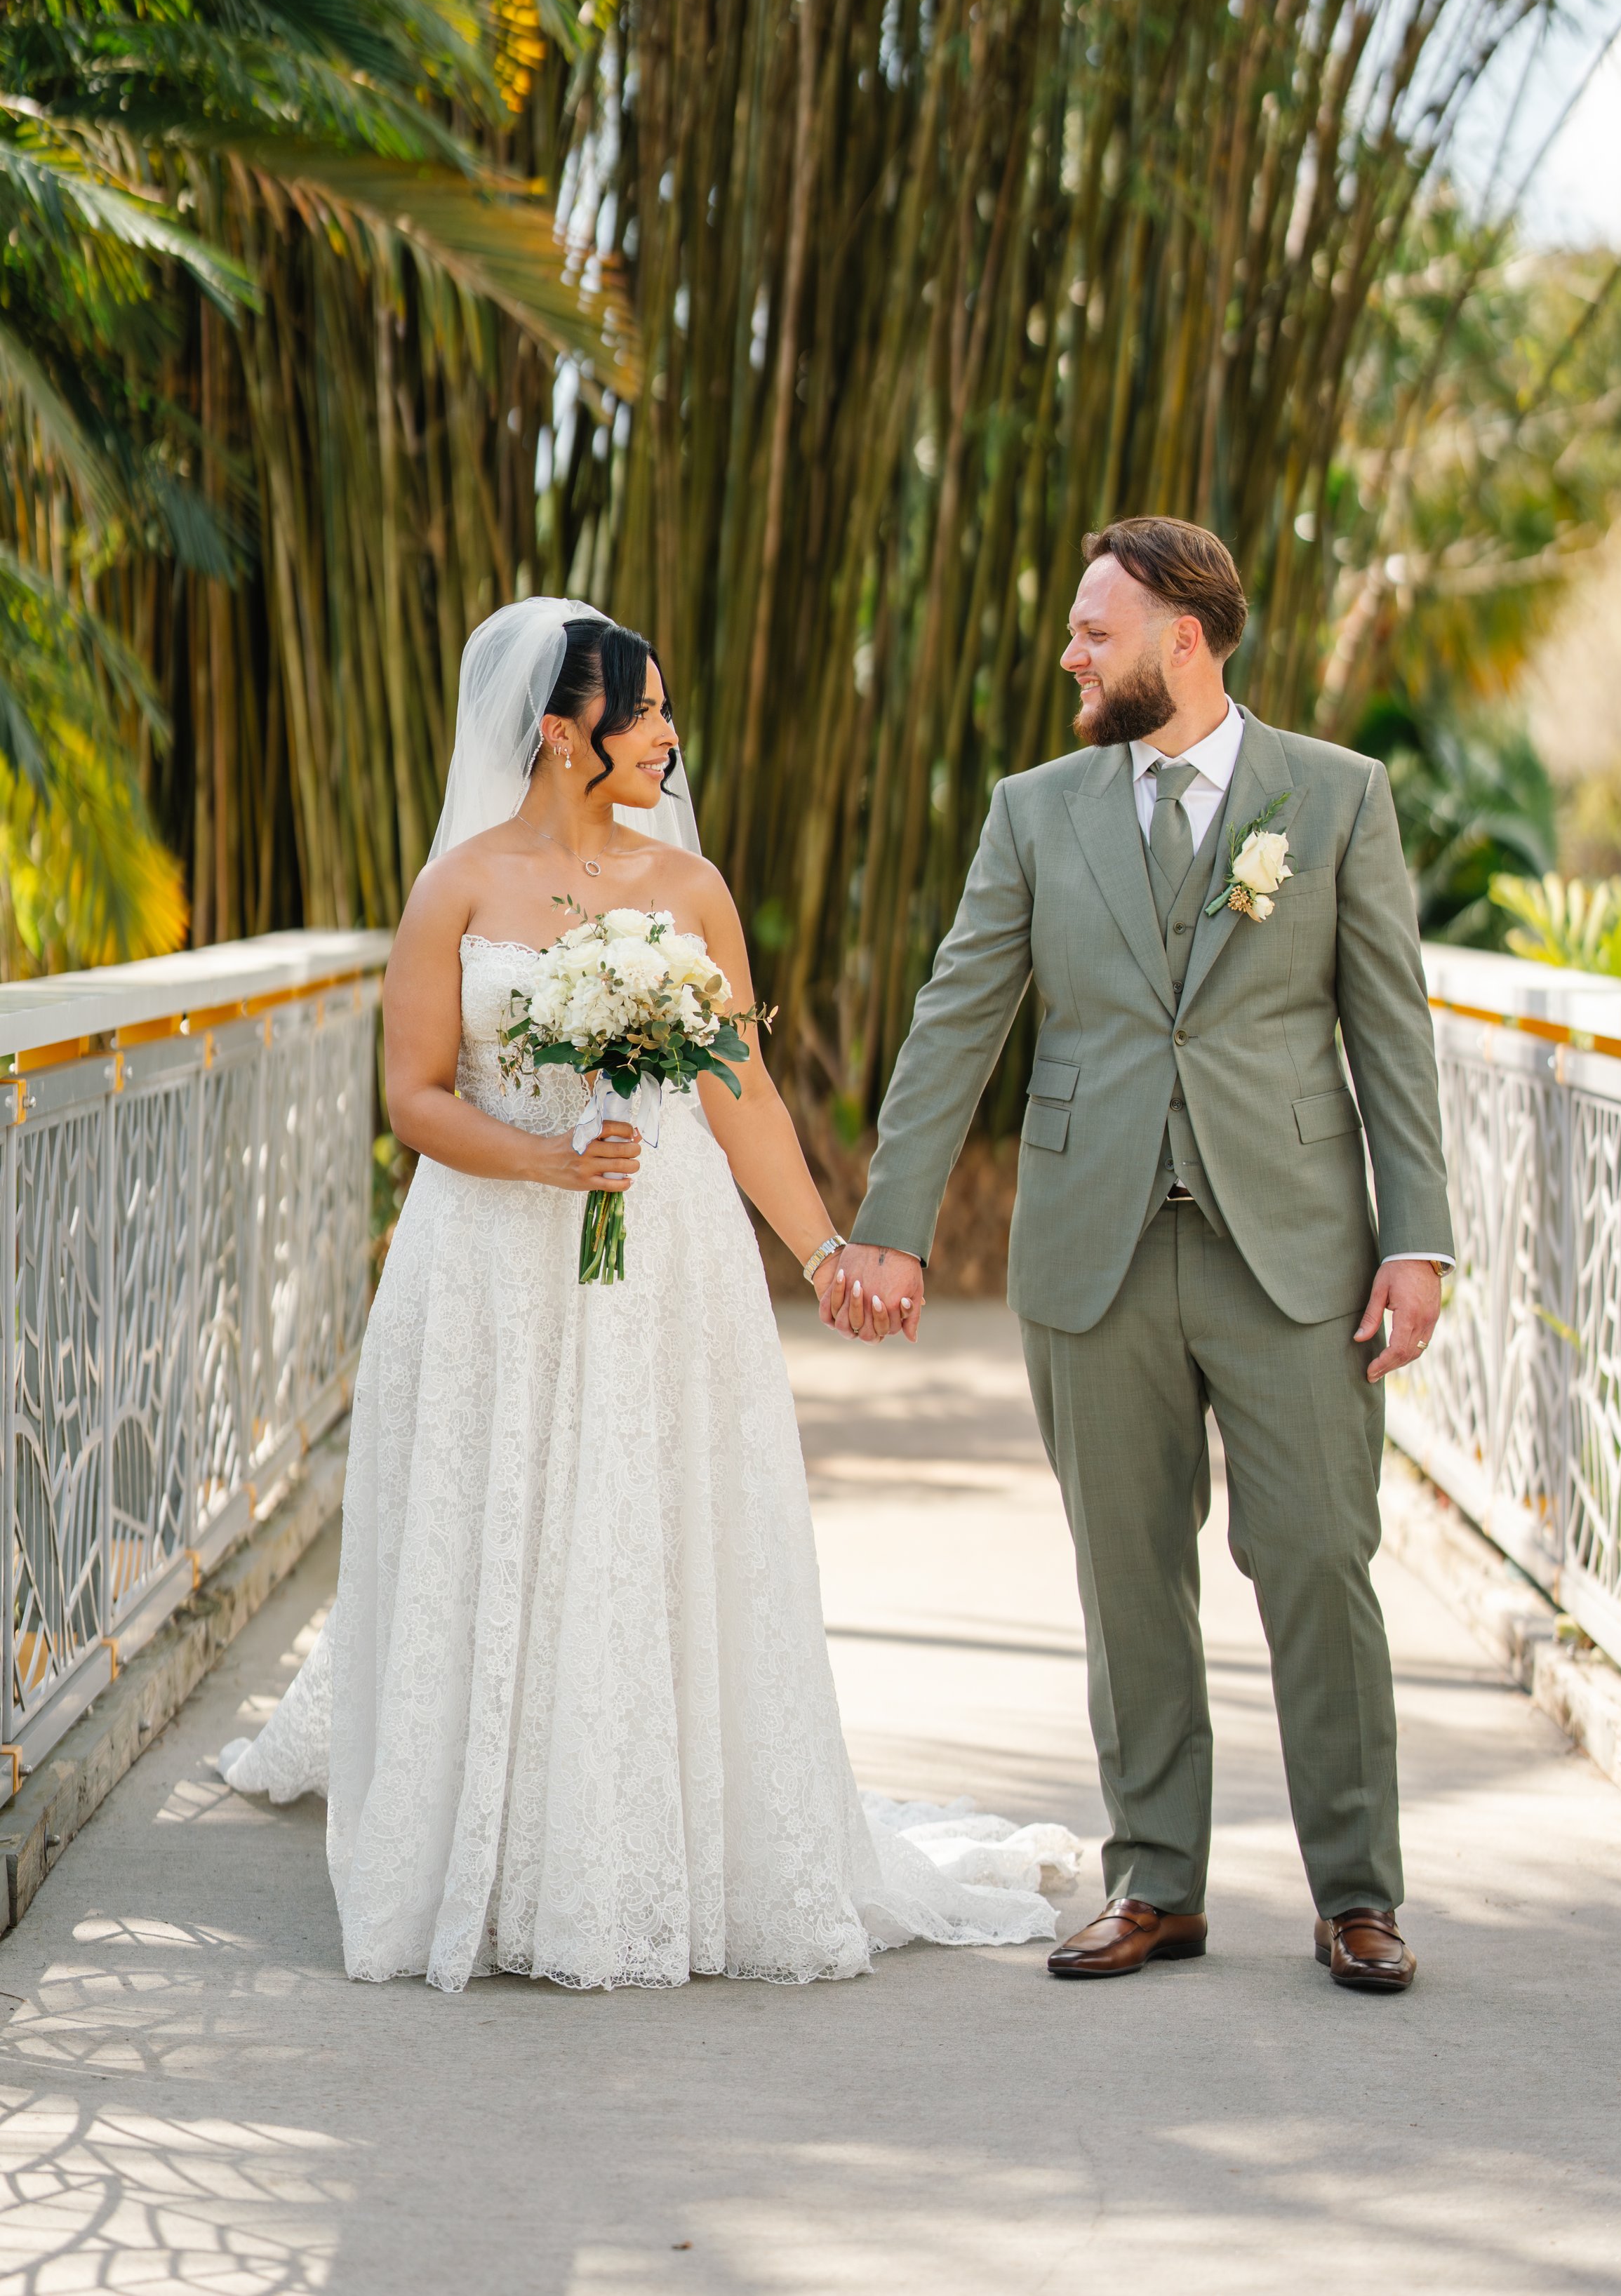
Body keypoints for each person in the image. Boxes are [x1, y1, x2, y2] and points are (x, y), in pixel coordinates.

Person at [219, 598, 1076, 1991]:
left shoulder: (691, 895)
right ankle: (488, 1852)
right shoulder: (459, 889)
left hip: (660, 1259)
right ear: (562, 735)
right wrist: (546, 1160)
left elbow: (735, 1094)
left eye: (669, 711)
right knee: (502, 1530)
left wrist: (821, 1253)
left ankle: (631, 1848)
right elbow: (415, 1100)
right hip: (491, 1260)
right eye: (648, 713)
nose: (671, 737)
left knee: (639, 1535)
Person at [827, 518, 1453, 1994]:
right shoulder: (1033, 811)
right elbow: (955, 1021)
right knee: (1125, 1579)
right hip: (1089, 1246)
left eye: (1092, 631)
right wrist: (889, 1228)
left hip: (1291, 1250)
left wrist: (1414, 1241)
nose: (1069, 653)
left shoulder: (1335, 797)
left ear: (1185, 637)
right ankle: (1154, 1883)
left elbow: (1390, 1035)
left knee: (1314, 1562)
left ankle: (1355, 1894)